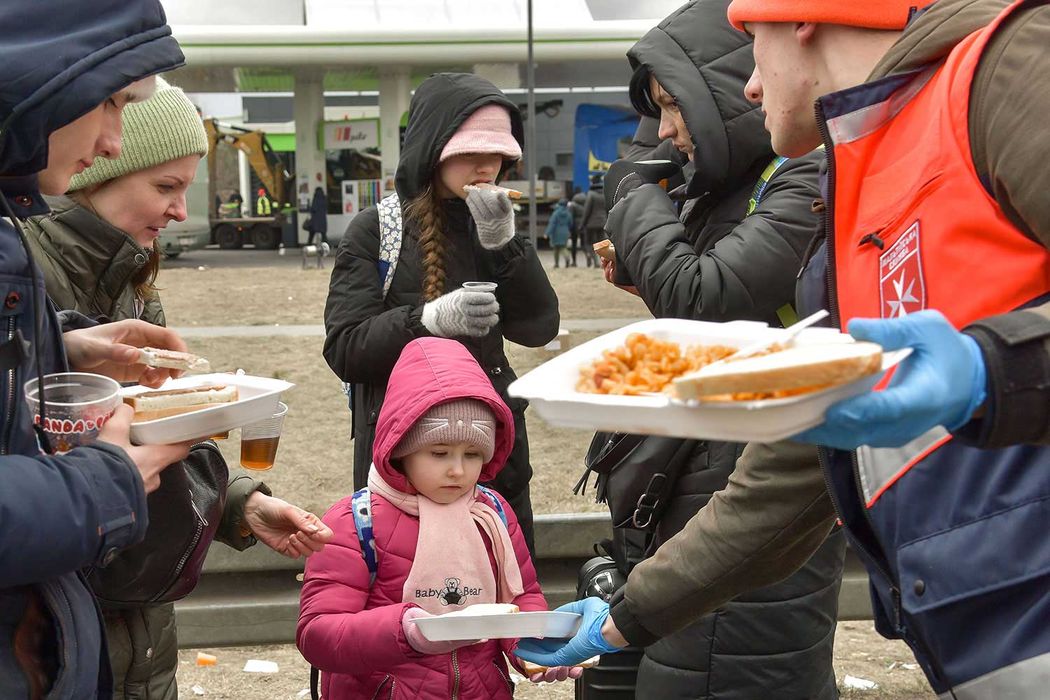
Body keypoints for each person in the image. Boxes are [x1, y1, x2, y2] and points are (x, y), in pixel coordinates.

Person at [518, 2, 1050, 698]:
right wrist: (629, 615)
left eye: (752, 41)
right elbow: (787, 475)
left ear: (802, 17)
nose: (748, 86)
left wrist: (989, 370)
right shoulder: (853, 190)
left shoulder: (1007, 70)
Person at [23, 78, 334, 700]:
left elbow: (163, 426)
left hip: (139, 619)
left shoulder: (133, 280)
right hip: (60, 625)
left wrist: (239, 501)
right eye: (165, 187)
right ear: (93, 170)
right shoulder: (26, 278)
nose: (181, 212)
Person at [579, 1, 843, 697]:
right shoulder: (733, 185)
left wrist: (632, 191)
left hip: (748, 488)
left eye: (674, 107)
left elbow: (702, 297)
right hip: (698, 483)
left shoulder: (808, 173)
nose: (664, 131)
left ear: (721, 95)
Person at [0, 1, 202, 697]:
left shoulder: (128, 276)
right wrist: (104, 483)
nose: (114, 138)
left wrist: (63, 352)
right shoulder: (26, 251)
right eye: (111, 101)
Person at [323, 73, 560, 553]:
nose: (486, 165)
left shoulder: (495, 225)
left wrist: (505, 244)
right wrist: (426, 321)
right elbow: (345, 349)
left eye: (498, 153)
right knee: (409, 599)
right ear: (433, 150)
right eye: (469, 152)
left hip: (492, 455)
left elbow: (540, 327)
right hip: (404, 455)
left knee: (503, 589)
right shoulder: (377, 230)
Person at [299, 337, 580, 698]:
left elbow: (521, 598)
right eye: (439, 452)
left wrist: (537, 650)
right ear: (400, 448)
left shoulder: (492, 513)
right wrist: (406, 632)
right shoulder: (353, 522)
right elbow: (318, 634)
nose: (458, 471)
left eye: (473, 453)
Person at [578, 175, 607, 267]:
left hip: (591, 224)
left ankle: (594, 261)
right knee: (601, 244)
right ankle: (603, 262)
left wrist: (582, 225)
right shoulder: (605, 194)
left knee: (589, 243)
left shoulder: (591, 194)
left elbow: (587, 211)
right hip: (602, 222)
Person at [545, 198, 572, 268]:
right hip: (565, 232)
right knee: (563, 247)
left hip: (556, 232)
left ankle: (556, 264)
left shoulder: (555, 213)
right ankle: (567, 258)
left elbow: (552, 224)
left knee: (556, 249)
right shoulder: (568, 213)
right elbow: (571, 223)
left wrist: (547, 233)